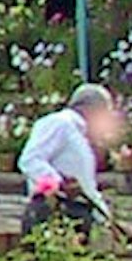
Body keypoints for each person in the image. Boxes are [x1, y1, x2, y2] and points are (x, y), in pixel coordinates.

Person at [19, 82, 117, 231]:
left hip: (77, 213)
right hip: (53, 211)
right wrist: (59, 183)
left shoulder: (79, 136)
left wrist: (106, 219)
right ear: (92, 110)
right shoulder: (59, 123)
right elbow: (30, 160)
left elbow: (86, 186)